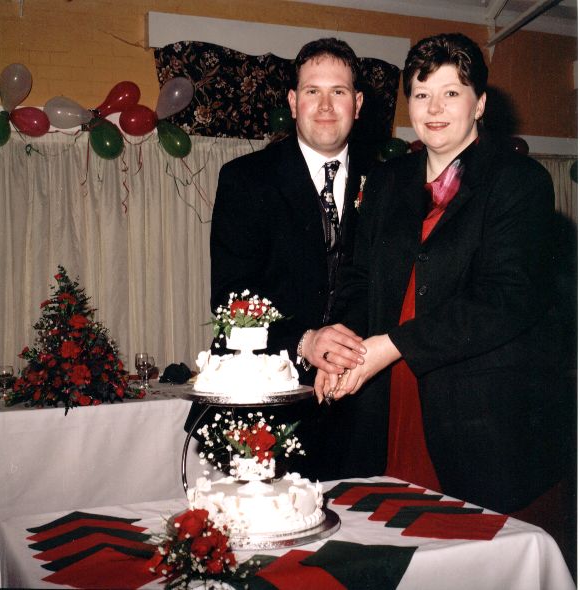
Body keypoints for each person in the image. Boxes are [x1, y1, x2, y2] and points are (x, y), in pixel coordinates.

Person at [314, 32, 574, 537]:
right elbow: (359, 279)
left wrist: (391, 346)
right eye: (421, 93)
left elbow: (504, 300)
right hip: (388, 398)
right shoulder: (387, 180)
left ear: (480, 104)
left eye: (451, 93)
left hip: (479, 417)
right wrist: (340, 345)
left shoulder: (520, 181)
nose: (434, 109)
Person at [187, 37, 369, 480]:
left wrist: (345, 356)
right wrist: (305, 342)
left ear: (358, 103)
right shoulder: (246, 179)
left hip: (360, 413)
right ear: (292, 101)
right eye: (312, 91)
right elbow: (231, 301)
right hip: (265, 411)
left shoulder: (386, 183)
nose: (325, 105)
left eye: (338, 91)